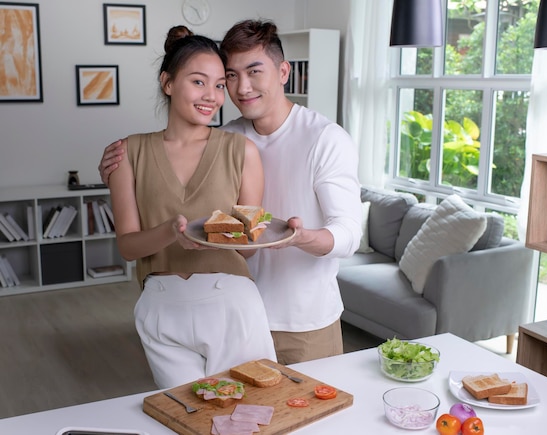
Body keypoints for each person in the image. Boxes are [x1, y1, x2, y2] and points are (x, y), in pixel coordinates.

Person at [99, 20, 362, 365]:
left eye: (254, 72)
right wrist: (117, 172)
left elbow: (349, 234)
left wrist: (301, 237)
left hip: (302, 321)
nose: (242, 88)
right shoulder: (229, 138)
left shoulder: (325, 138)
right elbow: (177, 176)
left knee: (311, 416)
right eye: (231, 77)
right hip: (234, 312)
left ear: (283, 72)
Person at [106, 25, 276, 388]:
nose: (212, 96)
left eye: (219, 85)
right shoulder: (127, 153)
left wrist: (223, 236)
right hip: (161, 305)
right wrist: (171, 232)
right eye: (199, 82)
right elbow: (128, 245)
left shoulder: (241, 151)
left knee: (255, 411)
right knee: (188, 419)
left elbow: (248, 245)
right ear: (168, 83)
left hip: (230, 302)